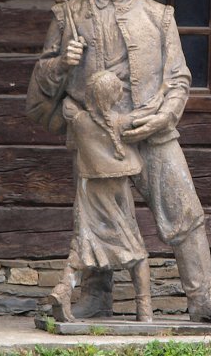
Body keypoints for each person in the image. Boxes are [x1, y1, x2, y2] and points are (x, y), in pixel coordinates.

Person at [26, 0, 211, 325]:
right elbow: (40, 86)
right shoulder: (70, 15)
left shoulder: (159, 15)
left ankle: (204, 299)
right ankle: (96, 297)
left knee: (185, 211)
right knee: (99, 216)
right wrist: (62, 63)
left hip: (153, 129)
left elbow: (179, 78)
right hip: (96, 134)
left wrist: (165, 115)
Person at [48, 70, 152, 322]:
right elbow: (145, 117)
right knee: (136, 250)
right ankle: (144, 309)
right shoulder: (122, 122)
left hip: (89, 193)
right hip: (117, 193)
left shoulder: (79, 120)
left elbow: (67, 103)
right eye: (118, 90)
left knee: (82, 243)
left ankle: (63, 289)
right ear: (113, 97)